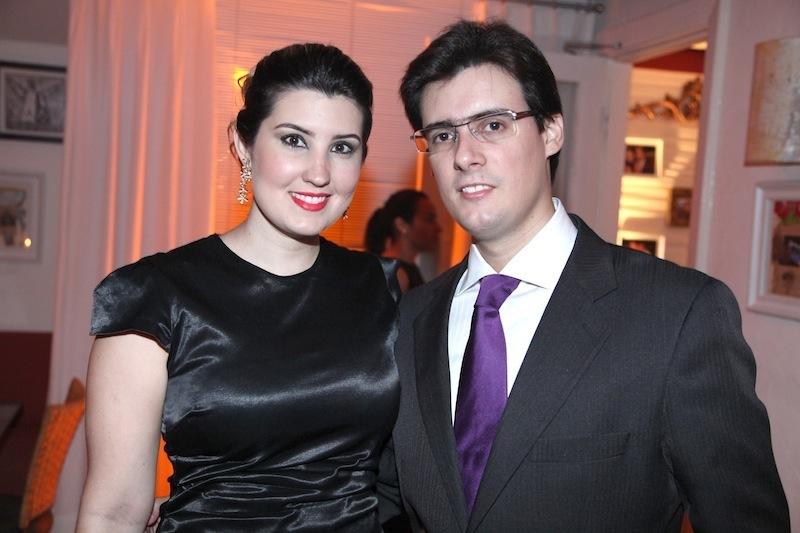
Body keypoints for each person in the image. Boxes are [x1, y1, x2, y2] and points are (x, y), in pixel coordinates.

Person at [377, 20, 789, 532]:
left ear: (552, 131)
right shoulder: (410, 319)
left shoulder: (676, 315)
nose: (465, 155)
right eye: (443, 135)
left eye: (493, 125)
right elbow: (387, 500)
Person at [77, 43, 400, 532]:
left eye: (342, 147)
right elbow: (113, 512)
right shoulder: (153, 297)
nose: (319, 172)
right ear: (243, 145)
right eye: (294, 140)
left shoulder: (382, 288)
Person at [365, 189, 441, 292]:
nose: (438, 228)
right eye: (429, 219)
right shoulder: (393, 274)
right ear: (402, 225)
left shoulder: (407, 269)